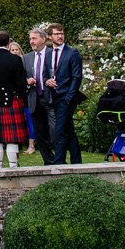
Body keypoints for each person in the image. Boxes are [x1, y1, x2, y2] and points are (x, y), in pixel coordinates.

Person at [0, 31, 30, 168]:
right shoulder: (15, 59)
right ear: (8, 43)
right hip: (12, 99)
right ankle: (13, 166)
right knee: (12, 138)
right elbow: (21, 83)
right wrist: (23, 96)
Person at [44, 23, 83, 165]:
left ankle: (58, 163)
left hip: (67, 98)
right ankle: (76, 161)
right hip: (53, 97)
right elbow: (45, 74)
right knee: (68, 130)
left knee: (59, 130)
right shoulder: (48, 54)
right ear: (50, 36)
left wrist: (69, 97)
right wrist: (47, 81)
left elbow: (77, 77)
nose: (60, 36)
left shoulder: (72, 53)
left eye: (61, 34)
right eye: (57, 34)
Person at [22, 27, 53, 158]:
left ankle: (59, 158)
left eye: (34, 38)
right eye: (30, 39)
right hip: (34, 98)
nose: (31, 41)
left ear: (43, 39)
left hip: (51, 97)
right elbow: (21, 77)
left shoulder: (52, 53)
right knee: (39, 132)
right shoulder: (26, 58)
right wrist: (27, 80)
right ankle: (48, 160)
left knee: (55, 129)